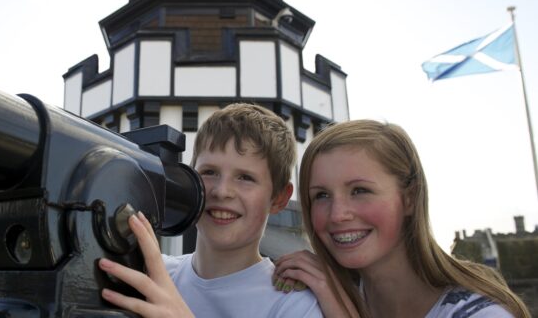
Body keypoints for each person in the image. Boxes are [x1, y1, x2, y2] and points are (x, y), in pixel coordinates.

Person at [272, 119, 530, 318]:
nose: (338, 215)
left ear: (409, 198)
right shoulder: (309, 301)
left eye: (360, 191)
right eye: (321, 195)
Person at [98, 103, 324, 317]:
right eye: (209, 172)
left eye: (245, 177)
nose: (222, 191)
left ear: (279, 198)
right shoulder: (151, 272)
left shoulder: (293, 303)